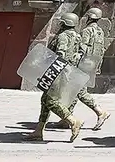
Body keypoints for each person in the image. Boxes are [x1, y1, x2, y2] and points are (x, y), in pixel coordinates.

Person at [23, 13, 84, 142]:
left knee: (50, 101)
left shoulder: (62, 37)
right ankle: (39, 130)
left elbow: (60, 55)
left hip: (58, 72)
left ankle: (72, 120)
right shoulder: (77, 37)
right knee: (45, 99)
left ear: (65, 23)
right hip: (69, 72)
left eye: (62, 22)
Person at [51, 7, 110, 131]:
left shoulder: (87, 31)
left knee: (79, 91)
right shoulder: (100, 32)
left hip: (82, 64)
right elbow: (101, 50)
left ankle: (100, 112)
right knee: (75, 91)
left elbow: (81, 50)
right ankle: (66, 118)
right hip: (92, 64)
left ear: (89, 17)